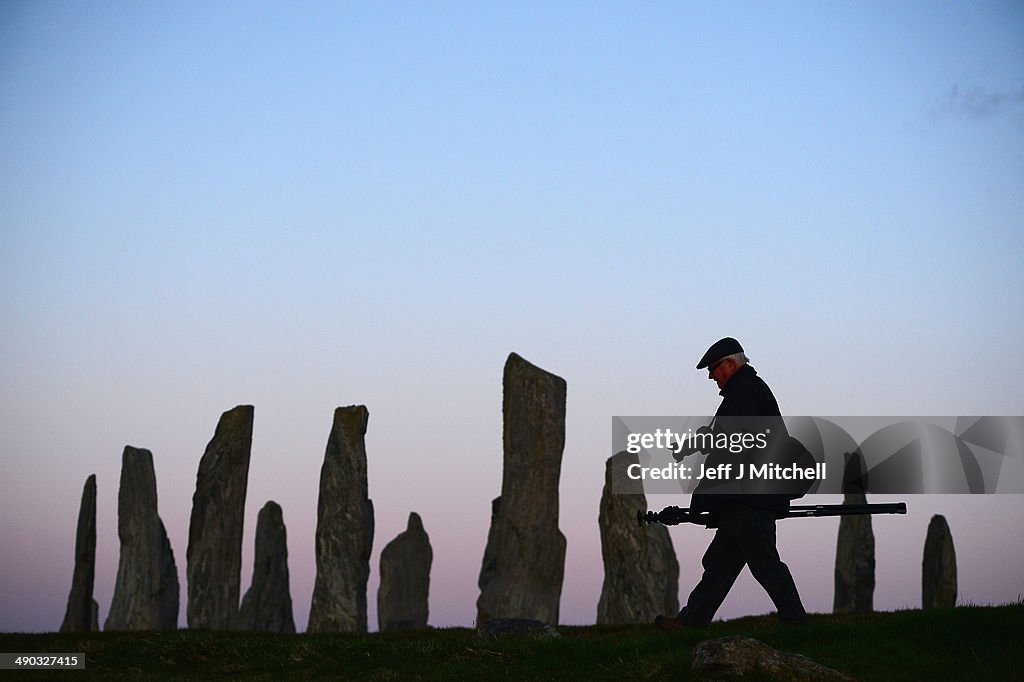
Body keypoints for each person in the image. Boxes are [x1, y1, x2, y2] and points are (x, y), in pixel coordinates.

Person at [655, 337, 807, 630]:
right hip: (745, 498)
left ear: (732, 364)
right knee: (719, 566)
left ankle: (796, 623)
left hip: (749, 498)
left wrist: (703, 487)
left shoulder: (747, 392)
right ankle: (691, 622)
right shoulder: (744, 392)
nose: (711, 375)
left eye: (714, 368)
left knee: (764, 564)